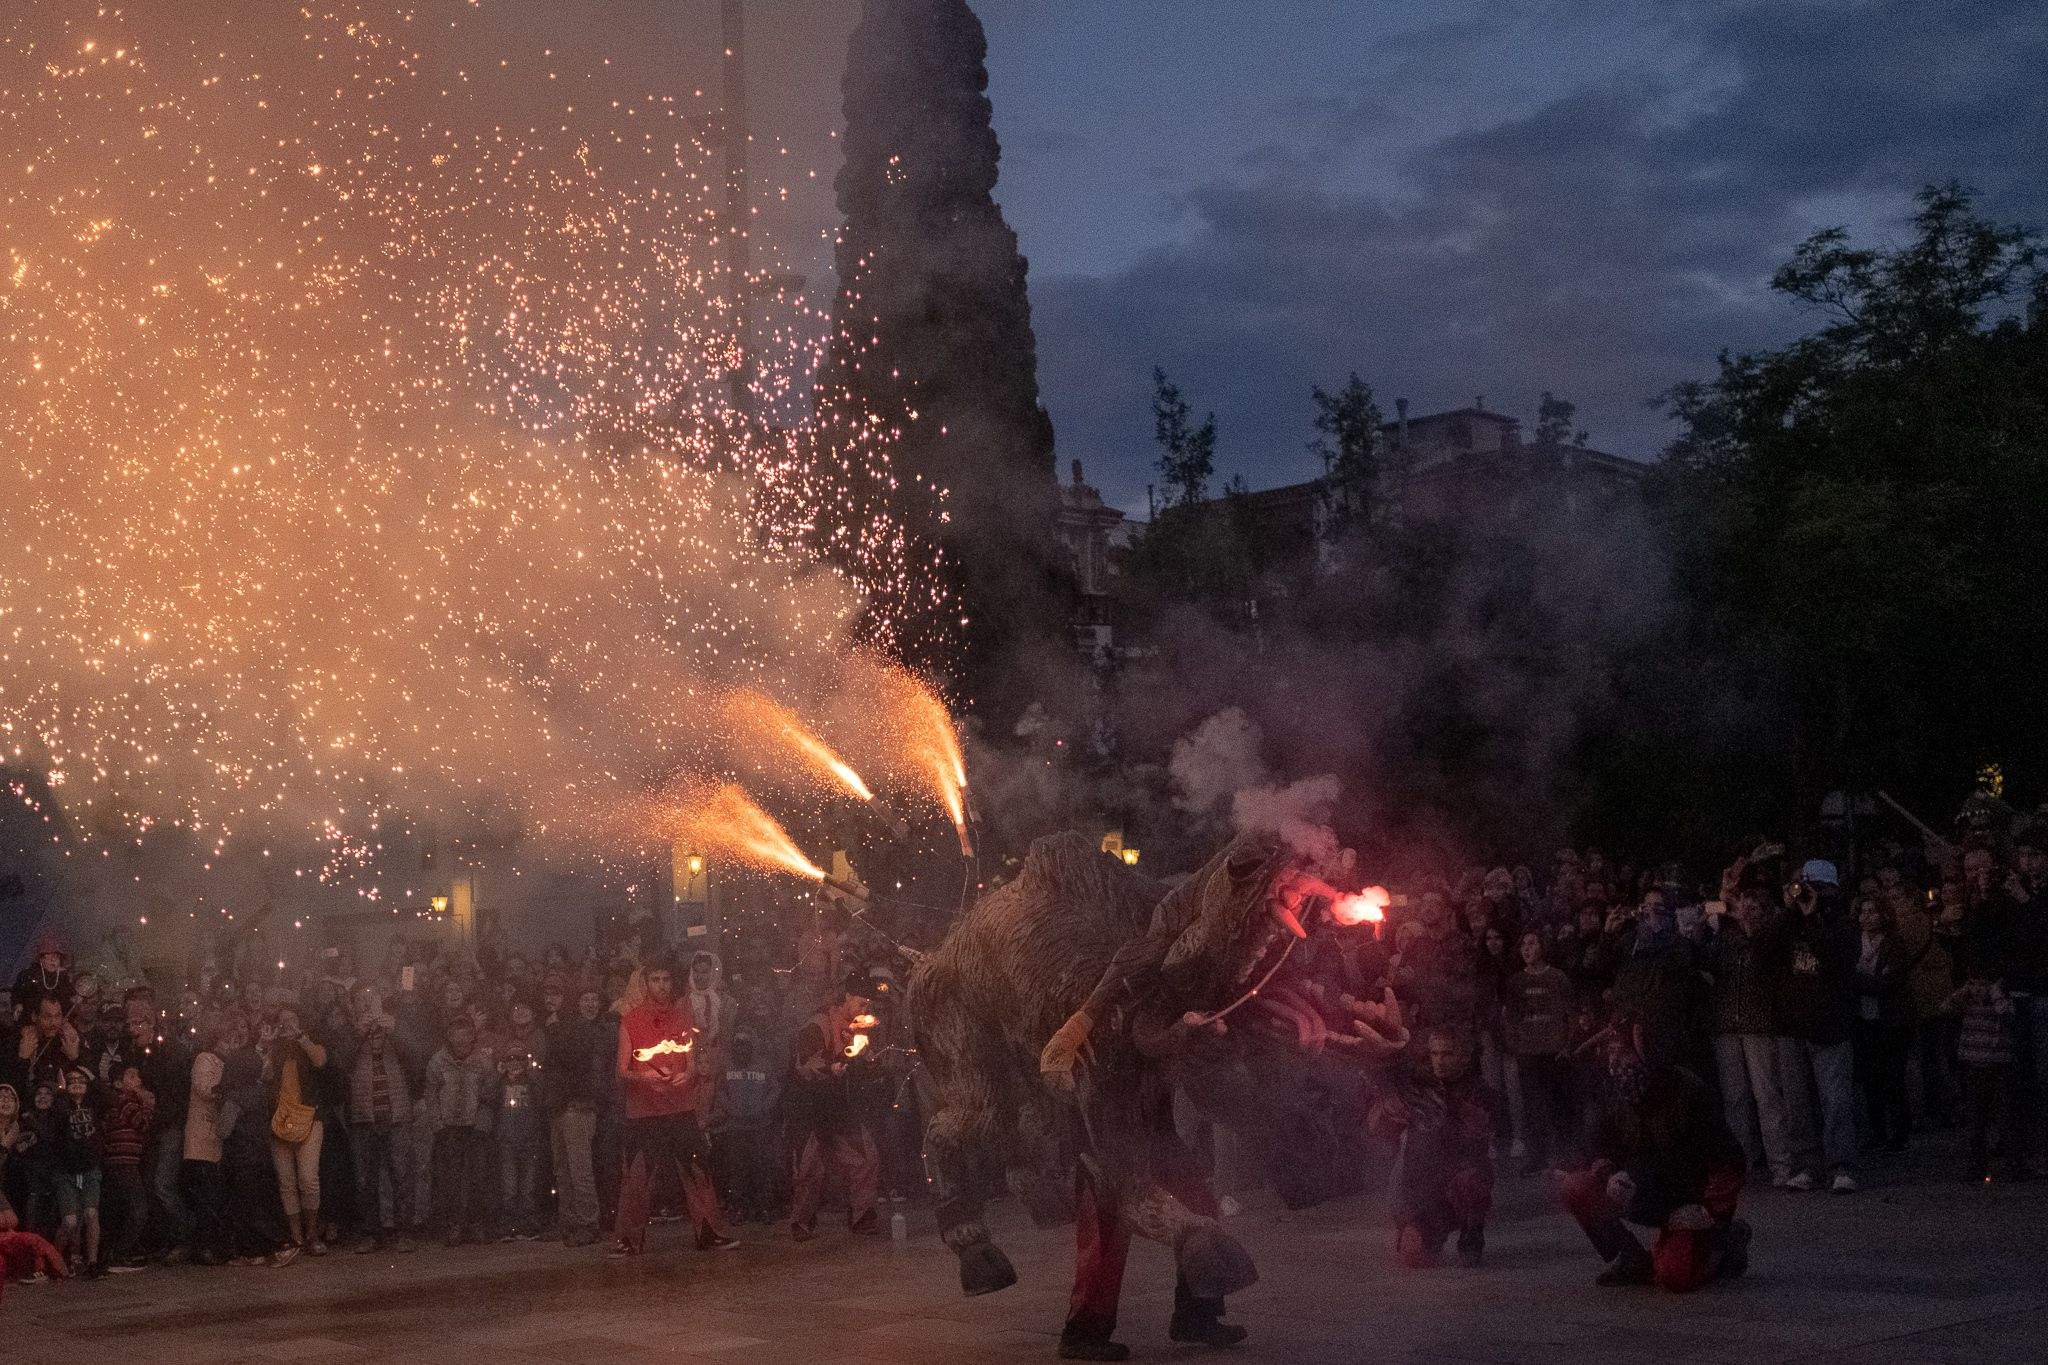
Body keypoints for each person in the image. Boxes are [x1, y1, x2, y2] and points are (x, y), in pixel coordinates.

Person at [1558, 1017, 1751, 1292]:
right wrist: (1607, 1173)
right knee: (1576, 1186)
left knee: (1674, 1277)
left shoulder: (1687, 1092)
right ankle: (1631, 1257)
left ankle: (1724, 1245)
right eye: (1611, 1053)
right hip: (1639, 1188)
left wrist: (1710, 1213)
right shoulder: (1613, 1092)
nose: (1615, 1063)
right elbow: (1598, 1146)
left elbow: (1728, 1160)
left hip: (1684, 1196)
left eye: (1622, 1053)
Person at [612, 958, 734, 1255]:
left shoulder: (682, 1018)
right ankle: (629, 1240)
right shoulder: (631, 1020)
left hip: (680, 1108)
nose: (662, 986)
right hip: (645, 1112)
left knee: (698, 1169)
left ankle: (709, 1233)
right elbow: (621, 1070)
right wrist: (645, 1077)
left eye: (666, 980)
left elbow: (691, 1064)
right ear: (646, 984)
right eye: (655, 980)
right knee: (638, 1176)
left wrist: (687, 1075)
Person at [1368, 1030, 1497, 1268]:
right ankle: (1428, 1234)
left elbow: (1475, 1141)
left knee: (1471, 1182)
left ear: (1464, 1057)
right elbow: (1384, 1126)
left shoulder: (1479, 1093)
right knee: (1413, 1254)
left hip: (1457, 1186)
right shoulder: (1420, 1088)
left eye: (1447, 1054)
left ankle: (1471, 1230)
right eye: (1435, 1054)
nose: (1440, 1060)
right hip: (1423, 1192)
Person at [1770, 861, 1860, 1191]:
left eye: (1817, 887)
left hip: (1829, 1022)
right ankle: (1807, 1164)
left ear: (1831, 889)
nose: (1809, 893)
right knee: (1797, 1103)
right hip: (1792, 1023)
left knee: (1835, 1100)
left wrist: (1814, 918)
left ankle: (1841, 1166)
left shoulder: (1844, 923)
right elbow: (1764, 952)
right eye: (1805, 886)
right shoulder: (1789, 923)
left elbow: (1838, 962)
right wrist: (1787, 912)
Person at [1706, 888, 1795, 1185]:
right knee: (1735, 1098)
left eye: (1753, 908)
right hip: (1726, 1026)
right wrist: (1702, 929)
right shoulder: (1725, 940)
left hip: (1759, 1024)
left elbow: (1769, 967)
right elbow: (1708, 964)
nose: (1746, 912)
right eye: (1743, 906)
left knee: (1766, 1095)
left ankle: (1781, 1163)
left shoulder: (1770, 938)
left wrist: (1749, 931)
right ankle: (1742, 1162)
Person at [786, 976, 882, 1241]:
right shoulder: (819, 1023)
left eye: (868, 1004)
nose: (865, 1009)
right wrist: (831, 1067)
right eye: (861, 1002)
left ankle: (862, 1216)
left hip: (841, 1106)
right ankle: (801, 1221)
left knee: (866, 1157)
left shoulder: (859, 1027)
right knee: (809, 1168)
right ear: (847, 996)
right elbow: (804, 1064)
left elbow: (861, 1064)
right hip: (813, 1107)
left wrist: (871, 1066)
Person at [343, 996, 418, 1253]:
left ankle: (404, 1232)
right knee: (365, 1179)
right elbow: (339, 1061)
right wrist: (358, 1033)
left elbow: (417, 1054)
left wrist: (396, 1030)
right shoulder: (353, 1035)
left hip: (397, 1114)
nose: (371, 1015)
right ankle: (370, 1233)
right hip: (364, 1116)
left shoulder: (395, 1033)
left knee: (402, 1175)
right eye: (365, 1009)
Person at [1501, 932, 1576, 1172]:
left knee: (1558, 1104)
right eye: (1523, 944)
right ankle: (1537, 1156)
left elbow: (1570, 1014)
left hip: (1554, 1050)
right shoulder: (1516, 982)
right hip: (1528, 1052)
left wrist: (1567, 1045)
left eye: (1532, 943)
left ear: (1543, 946)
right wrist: (1515, 1046)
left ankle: (1564, 1156)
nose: (1527, 949)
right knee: (1533, 1106)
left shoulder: (1557, 978)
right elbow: (1510, 1018)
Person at [423, 1016, 496, 1247]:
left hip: (476, 1127)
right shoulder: (437, 1062)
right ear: (449, 1036)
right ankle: (454, 1225)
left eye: (466, 1033)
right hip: (449, 1128)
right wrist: (438, 1124)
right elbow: (431, 1096)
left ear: (473, 1036)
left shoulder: (483, 1062)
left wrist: (483, 1124)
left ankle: (476, 1224)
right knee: (451, 1180)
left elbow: (491, 1096)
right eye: (457, 1033)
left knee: (478, 1177)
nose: (462, 1039)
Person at [544, 985, 608, 1245]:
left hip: (577, 1104)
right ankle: (569, 1221)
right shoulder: (564, 1026)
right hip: (561, 1104)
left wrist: (554, 1031)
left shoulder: (580, 1029)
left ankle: (588, 1223)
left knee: (578, 1168)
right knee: (564, 1169)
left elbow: (572, 1059)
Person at [265, 1002, 329, 1256]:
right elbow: (265, 1076)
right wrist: (267, 1047)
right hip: (280, 1120)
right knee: (287, 1181)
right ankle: (297, 1237)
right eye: (283, 1020)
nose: (287, 1023)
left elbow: (320, 1060)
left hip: (310, 1118)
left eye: (292, 1018)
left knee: (308, 1179)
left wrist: (301, 1038)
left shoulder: (309, 1043)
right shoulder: (274, 1048)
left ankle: (312, 1234)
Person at [1851, 897, 1914, 1152]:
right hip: (1865, 1020)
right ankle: (1877, 1131)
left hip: (1891, 1019)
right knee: (1871, 1079)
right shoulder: (1855, 943)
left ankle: (1899, 1132)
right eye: (1863, 911)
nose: (1866, 917)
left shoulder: (1894, 943)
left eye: (1872, 911)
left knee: (1893, 1077)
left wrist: (1859, 981)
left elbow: (1889, 982)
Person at [1946, 969, 2019, 1181]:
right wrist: (1963, 994)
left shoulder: (2001, 996)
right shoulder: (1968, 998)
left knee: (2003, 1115)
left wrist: (1995, 994)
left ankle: (2013, 1162)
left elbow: (2007, 1013)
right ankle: (1978, 1165)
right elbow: (1946, 1007)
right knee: (1977, 1118)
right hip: (1975, 1063)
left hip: (1997, 1063)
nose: (1978, 987)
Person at [711, 1031, 780, 1224]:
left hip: (760, 1127)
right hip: (736, 1128)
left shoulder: (764, 1066)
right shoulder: (727, 1066)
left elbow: (775, 1089)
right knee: (737, 1170)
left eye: (745, 1045)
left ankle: (764, 1208)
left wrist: (765, 1107)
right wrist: (731, 1109)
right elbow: (720, 1091)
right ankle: (738, 1208)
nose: (742, 1049)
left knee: (762, 1168)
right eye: (738, 1045)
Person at [494, 998, 548, 1239]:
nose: (514, 1065)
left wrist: (532, 1072)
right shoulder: (500, 1083)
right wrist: (497, 1076)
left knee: (528, 1186)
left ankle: (528, 1223)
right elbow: (488, 1097)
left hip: (529, 1138)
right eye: (510, 1060)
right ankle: (509, 1224)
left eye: (519, 1060)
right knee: (508, 1186)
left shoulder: (531, 1082)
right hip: (506, 1139)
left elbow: (541, 1095)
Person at [181, 1017, 231, 1265]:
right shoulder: (205, 1059)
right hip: (202, 1137)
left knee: (212, 1195)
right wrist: (231, 1086)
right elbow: (205, 1089)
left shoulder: (224, 1062)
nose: (229, 1044)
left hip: (215, 1136)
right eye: (226, 1039)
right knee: (206, 1196)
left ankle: (209, 1243)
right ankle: (203, 1245)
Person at [49, 1064, 107, 1275]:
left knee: (91, 1213)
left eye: (80, 1080)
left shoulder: (94, 1105)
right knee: (70, 1221)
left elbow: (108, 1098)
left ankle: (92, 1262)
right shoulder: (60, 1105)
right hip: (66, 1169)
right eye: (72, 1080)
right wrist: (62, 1093)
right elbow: (58, 1121)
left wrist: (92, 1077)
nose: (76, 1083)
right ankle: (53, 1259)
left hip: (90, 1167)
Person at [100, 1063, 156, 1271]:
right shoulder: (127, 1102)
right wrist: (148, 1105)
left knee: (122, 1207)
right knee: (139, 1209)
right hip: (125, 1161)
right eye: (132, 1077)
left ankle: (115, 1250)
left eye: (138, 1077)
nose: (138, 1080)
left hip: (119, 1160)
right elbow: (143, 1124)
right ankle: (121, 1251)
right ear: (118, 1083)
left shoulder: (116, 1103)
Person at [10, 934, 74, 1028]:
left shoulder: (64, 978)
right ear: (40, 958)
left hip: (55, 1026)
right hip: (31, 1025)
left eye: (56, 956)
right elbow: (17, 993)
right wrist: (17, 1004)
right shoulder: (27, 975)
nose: (53, 959)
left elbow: (68, 1000)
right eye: (48, 955)